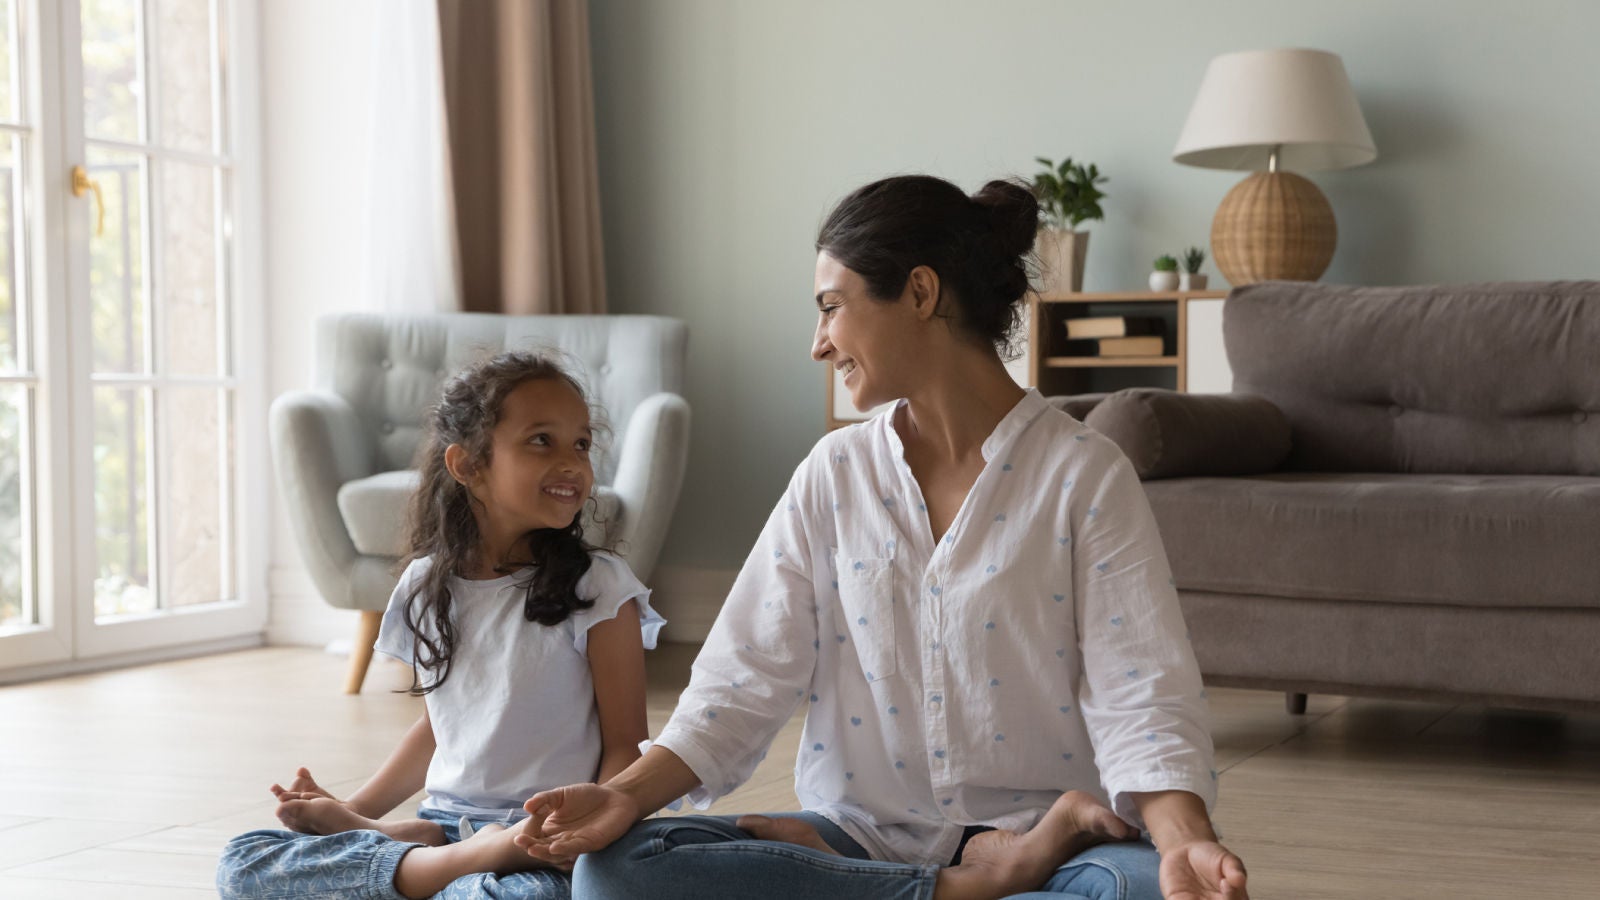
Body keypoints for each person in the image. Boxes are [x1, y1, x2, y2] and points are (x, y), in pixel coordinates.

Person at [510, 175, 1249, 900]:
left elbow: (1141, 694)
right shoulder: (835, 472)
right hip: (861, 834)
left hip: (1050, 842)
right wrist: (626, 797)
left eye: (832, 308)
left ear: (921, 294)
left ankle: (912, 885)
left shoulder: (1083, 475)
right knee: (619, 870)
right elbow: (741, 680)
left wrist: (1185, 842)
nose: (818, 343)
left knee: (1139, 889)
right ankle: (963, 886)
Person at [217, 351, 665, 900]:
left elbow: (626, 743)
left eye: (581, 443)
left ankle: (421, 863)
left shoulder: (600, 586)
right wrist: (351, 810)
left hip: (541, 839)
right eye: (541, 440)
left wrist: (582, 831)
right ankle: (437, 854)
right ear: (468, 466)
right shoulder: (425, 584)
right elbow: (439, 727)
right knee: (244, 860)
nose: (573, 463)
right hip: (448, 824)